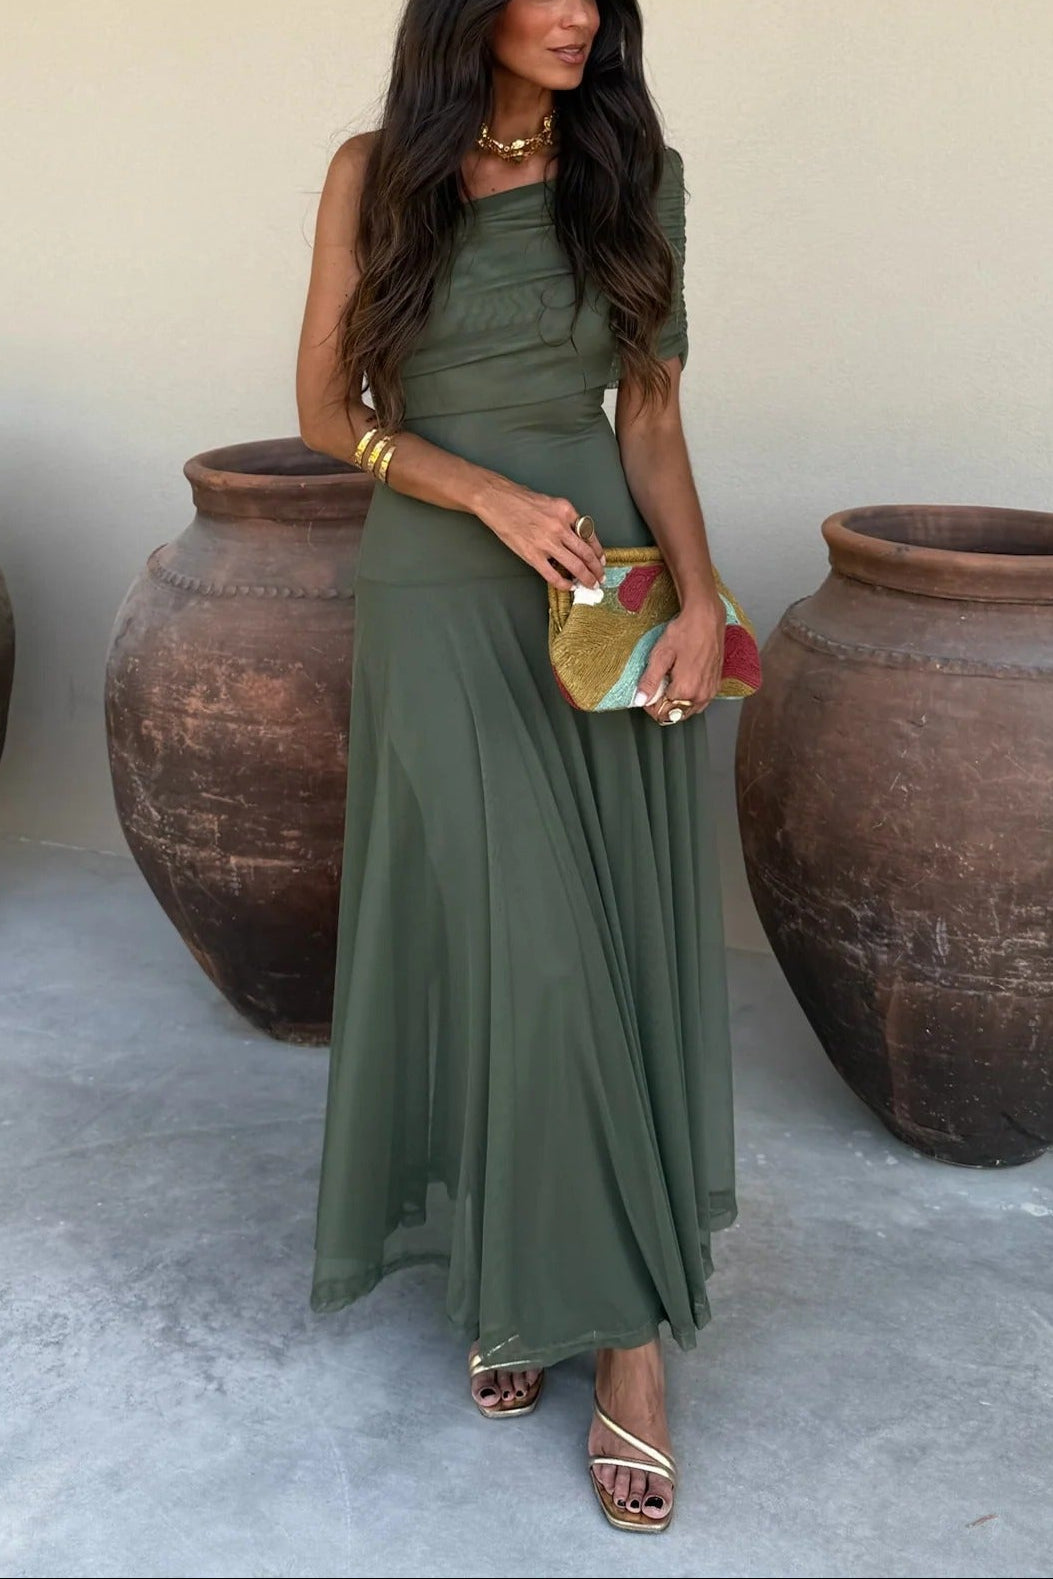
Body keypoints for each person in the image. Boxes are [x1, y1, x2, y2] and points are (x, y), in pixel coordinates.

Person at [296, 0, 736, 1534]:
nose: (576, 14)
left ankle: (586, 1322)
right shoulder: (374, 171)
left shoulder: (637, 172)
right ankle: (594, 1322)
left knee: (589, 952)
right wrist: (477, 491)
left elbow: (653, 421)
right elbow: (326, 411)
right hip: (436, 593)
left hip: (597, 597)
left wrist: (700, 601)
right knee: (516, 951)